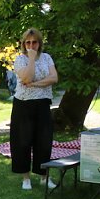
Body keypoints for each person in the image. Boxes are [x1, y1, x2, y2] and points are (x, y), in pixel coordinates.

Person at [11, 28, 59, 190]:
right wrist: (31, 59)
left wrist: (35, 84)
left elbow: (54, 78)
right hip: (23, 104)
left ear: (40, 43)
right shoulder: (20, 60)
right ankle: (26, 178)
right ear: (24, 44)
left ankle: (44, 177)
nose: (31, 45)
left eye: (34, 42)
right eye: (28, 42)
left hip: (43, 103)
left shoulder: (47, 58)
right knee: (23, 141)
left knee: (44, 141)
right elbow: (26, 77)